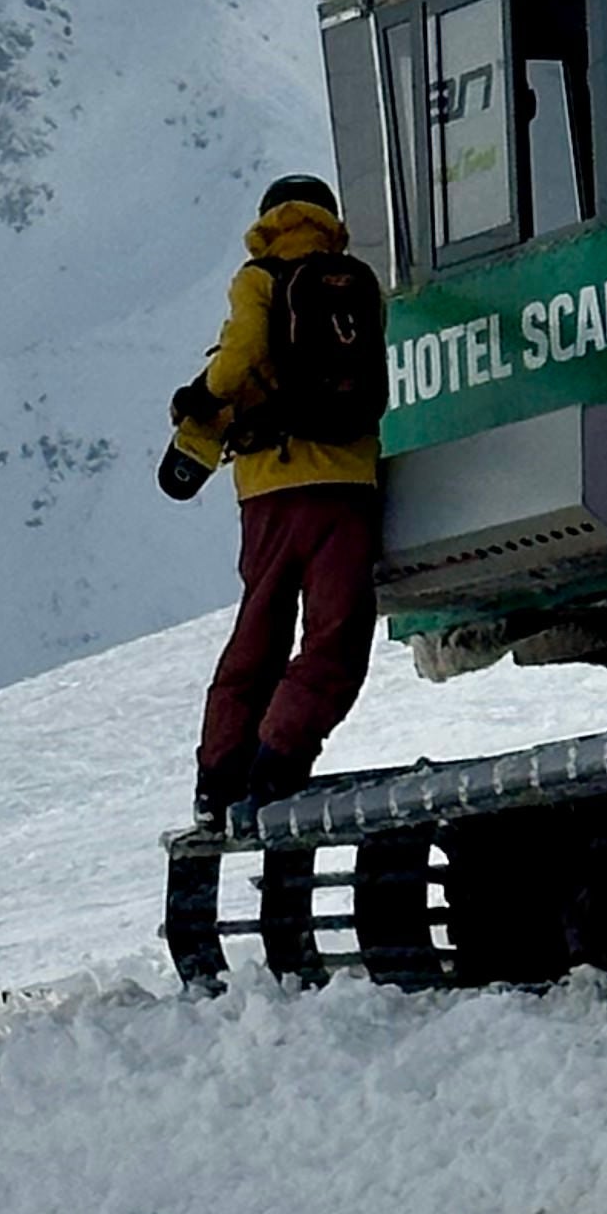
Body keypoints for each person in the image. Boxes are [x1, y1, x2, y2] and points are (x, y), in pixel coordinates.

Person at [165, 173, 386, 818]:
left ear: (269, 220)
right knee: (335, 637)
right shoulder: (358, 284)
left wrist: (202, 398)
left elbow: (239, 356)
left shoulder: (259, 278)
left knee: (258, 633)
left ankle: (219, 775)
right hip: (345, 485)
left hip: (268, 489)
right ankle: (281, 759)